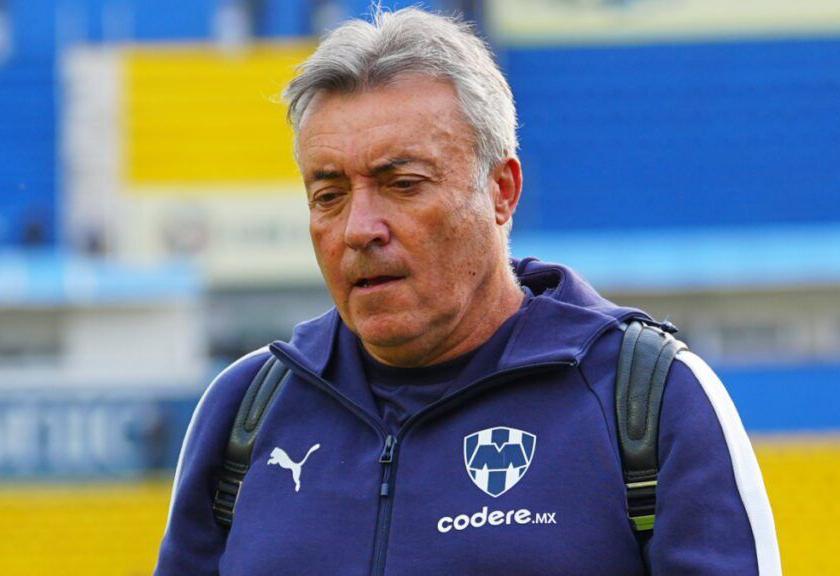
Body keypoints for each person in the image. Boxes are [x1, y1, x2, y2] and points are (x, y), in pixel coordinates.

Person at [155, 7, 781, 575]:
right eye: (329, 195)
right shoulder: (244, 411)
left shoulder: (649, 399)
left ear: (501, 191)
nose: (359, 229)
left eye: (403, 184)